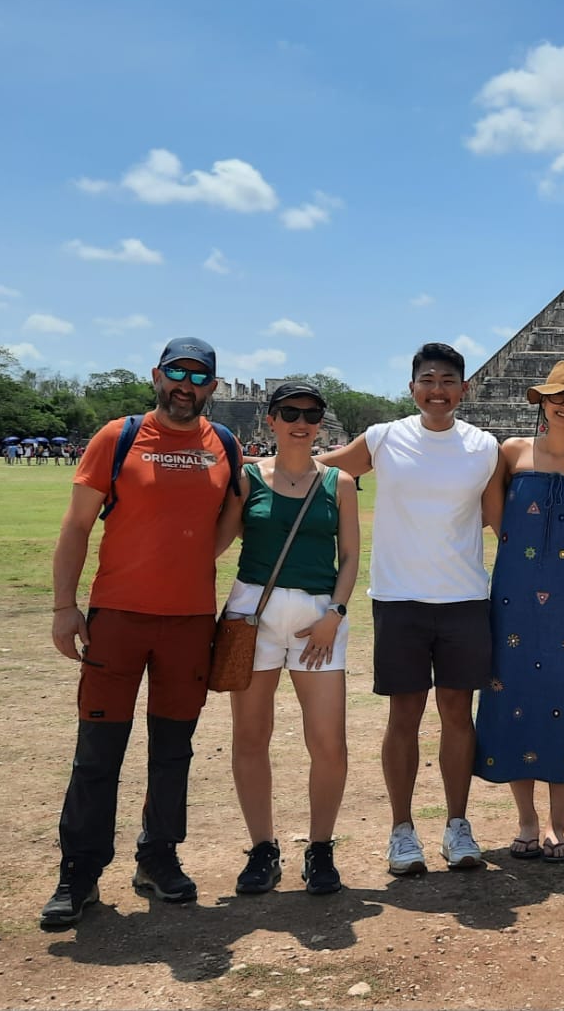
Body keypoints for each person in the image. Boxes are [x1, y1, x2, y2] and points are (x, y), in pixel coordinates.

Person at [40, 338, 239, 930]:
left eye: (199, 376)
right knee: (98, 752)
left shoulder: (222, 444)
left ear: (212, 386)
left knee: (172, 750)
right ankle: (79, 872)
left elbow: (231, 517)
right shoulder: (118, 436)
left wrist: (194, 557)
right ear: (157, 375)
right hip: (119, 618)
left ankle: (158, 857)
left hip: (187, 622)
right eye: (176, 373)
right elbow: (76, 526)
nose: (186, 385)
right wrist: (62, 606)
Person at [318, 343, 500, 876]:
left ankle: (457, 825)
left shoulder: (483, 447)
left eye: (448, 380)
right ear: (412, 387)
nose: (437, 389)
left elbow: (501, 521)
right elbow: (322, 474)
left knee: (456, 716)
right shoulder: (383, 438)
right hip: (399, 600)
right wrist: (258, 467)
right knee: (404, 717)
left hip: (464, 598)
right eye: (428, 380)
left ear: (465, 390)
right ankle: (402, 829)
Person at [215, 382, 359, 896]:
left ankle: (320, 847)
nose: (302, 422)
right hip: (253, 615)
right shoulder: (247, 479)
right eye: (290, 413)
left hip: (319, 619)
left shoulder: (339, 483)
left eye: (312, 414)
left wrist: (335, 613)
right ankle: (262, 848)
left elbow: (350, 558)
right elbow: (217, 543)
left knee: (328, 743)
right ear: (270, 420)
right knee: (251, 737)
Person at [473, 361, 564, 863]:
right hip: (513, 595)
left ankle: (557, 823)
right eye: (558, 397)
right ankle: (526, 819)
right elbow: (492, 514)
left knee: (562, 698)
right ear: (542, 402)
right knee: (511, 696)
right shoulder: (511, 451)